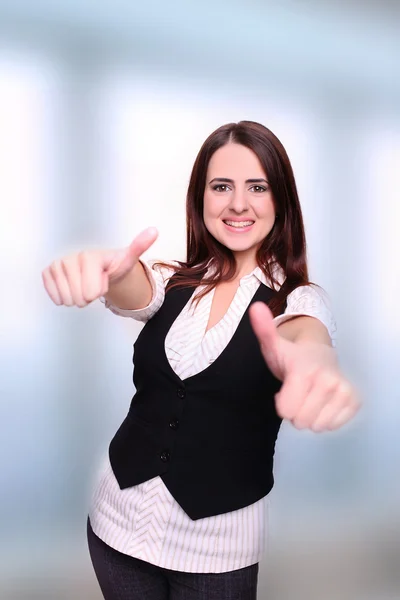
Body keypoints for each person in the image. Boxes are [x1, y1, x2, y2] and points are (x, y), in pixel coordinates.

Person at [42, 121, 360, 600]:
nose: (238, 203)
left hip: (216, 553)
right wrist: (106, 272)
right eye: (221, 187)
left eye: (258, 187)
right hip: (115, 525)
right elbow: (134, 287)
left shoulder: (299, 300)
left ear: (282, 202)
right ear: (201, 199)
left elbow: (306, 336)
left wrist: (313, 363)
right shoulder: (175, 278)